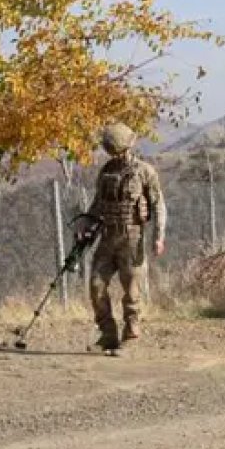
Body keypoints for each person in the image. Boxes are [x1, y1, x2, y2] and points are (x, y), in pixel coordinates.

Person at [81, 122, 166, 352]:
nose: (117, 155)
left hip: (132, 238)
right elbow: (98, 203)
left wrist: (159, 236)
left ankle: (131, 334)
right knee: (96, 285)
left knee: (132, 291)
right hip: (107, 237)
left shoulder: (145, 172)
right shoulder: (107, 171)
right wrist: (86, 224)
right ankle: (108, 334)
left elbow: (158, 205)